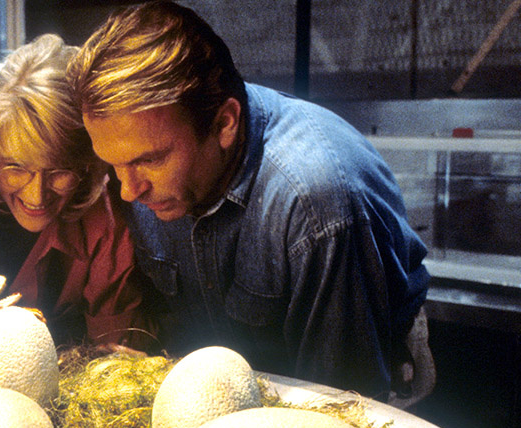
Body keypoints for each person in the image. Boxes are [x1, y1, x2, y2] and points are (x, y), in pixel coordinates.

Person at [69, 1, 432, 402]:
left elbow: (343, 407)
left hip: (340, 397)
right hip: (225, 390)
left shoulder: (316, 203)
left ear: (224, 124)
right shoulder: (139, 163)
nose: (128, 191)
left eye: (150, 160)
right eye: (114, 164)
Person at [0, 34, 157, 351]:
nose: (37, 196)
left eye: (59, 171)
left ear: (87, 163)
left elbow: (115, 353)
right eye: (16, 167)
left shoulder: (106, 224)